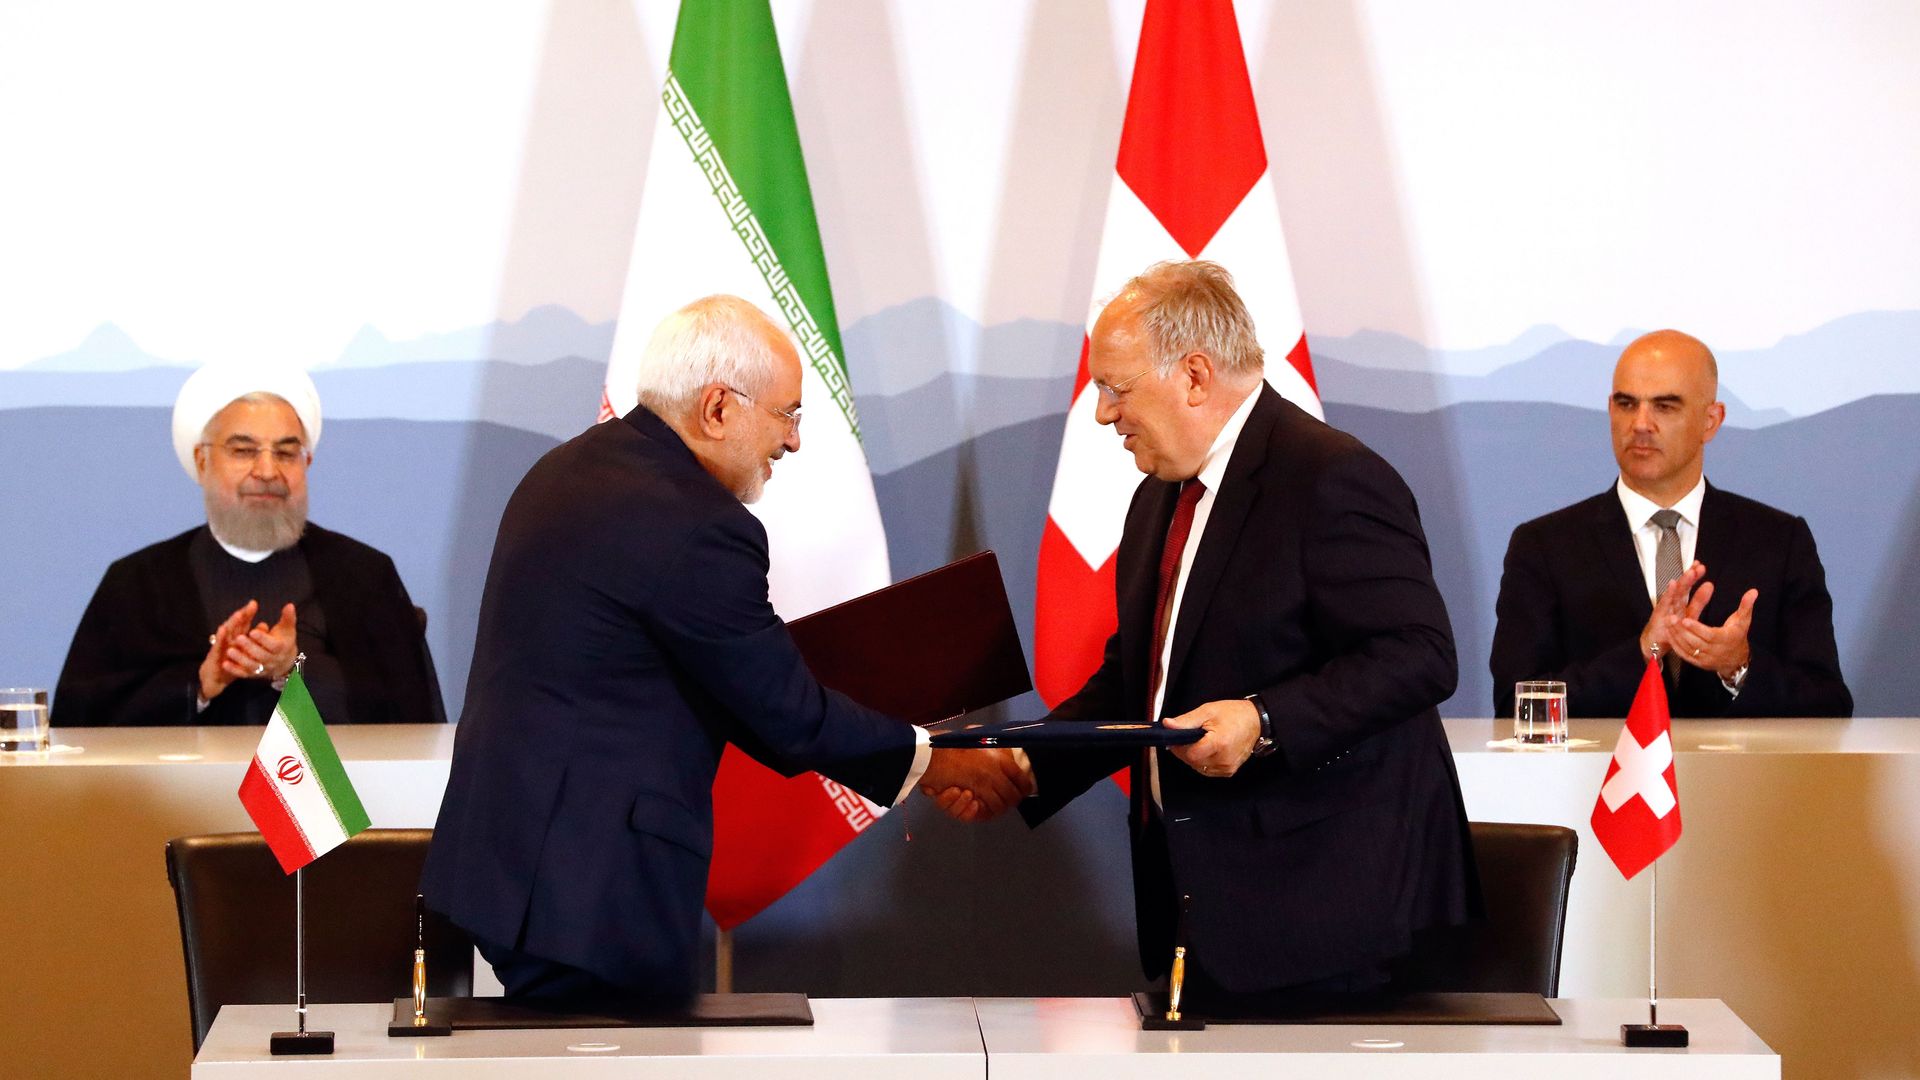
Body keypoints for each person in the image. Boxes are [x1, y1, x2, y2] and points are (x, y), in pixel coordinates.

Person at [421, 295, 1030, 1001]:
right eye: (787, 414)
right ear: (717, 408)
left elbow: (724, 683)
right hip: (589, 891)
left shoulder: (568, 470)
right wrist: (933, 757)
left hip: (521, 867)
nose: (793, 442)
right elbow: (784, 713)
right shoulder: (693, 523)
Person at [969, 261, 1477, 1003]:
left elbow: (1419, 656)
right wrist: (1025, 762)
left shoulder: (1331, 477)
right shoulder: (1158, 499)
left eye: (1116, 387)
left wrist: (1264, 720)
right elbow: (1140, 682)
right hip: (1208, 911)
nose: (1104, 414)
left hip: (1330, 919)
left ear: (1195, 376)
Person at [53, 364, 445, 727]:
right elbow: (82, 726)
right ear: (202, 461)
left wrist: (293, 670)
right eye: (243, 451)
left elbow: (410, 717)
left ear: (306, 463)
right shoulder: (137, 583)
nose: (268, 471)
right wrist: (200, 684)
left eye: (286, 453)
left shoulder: (364, 576)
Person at [1489, 330, 1852, 719]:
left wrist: (1739, 666)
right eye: (1626, 404)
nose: (1640, 423)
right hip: (1606, 762)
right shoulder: (1544, 547)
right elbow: (1516, 706)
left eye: (1664, 406)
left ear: (1711, 421)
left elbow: (1828, 703)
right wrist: (1642, 653)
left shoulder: (1779, 542)